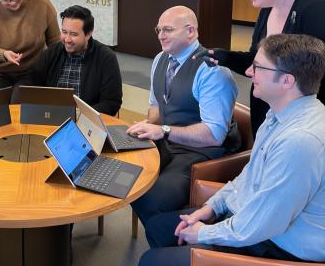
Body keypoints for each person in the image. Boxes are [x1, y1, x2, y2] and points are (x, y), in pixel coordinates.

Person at [138, 33, 325, 266]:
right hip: (252, 221)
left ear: (287, 81)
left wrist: (202, 233)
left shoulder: (300, 142)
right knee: (158, 228)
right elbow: (250, 176)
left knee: (152, 261)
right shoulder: (279, 114)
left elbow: (264, 223)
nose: (248, 73)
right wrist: (211, 208)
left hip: (277, 246)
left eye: (257, 67)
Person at [195, 0, 325, 137]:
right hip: (266, 108)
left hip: (300, 122)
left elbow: (315, 76)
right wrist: (225, 57)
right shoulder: (268, 6)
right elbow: (258, 62)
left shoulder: (317, 7)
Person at [127, 6, 240, 225]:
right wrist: (148, 124)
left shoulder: (212, 71)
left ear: (190, 31)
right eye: (158, 29)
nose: (161, 35)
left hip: (199, 154)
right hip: (168, 142)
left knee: (149, 200)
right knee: (123, 174)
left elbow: (214, 135)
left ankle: (178, 240)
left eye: (168, 29)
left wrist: (163, 130)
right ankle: (164, 232)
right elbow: (157, 109)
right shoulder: (160, 59)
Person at [31, 5, 122, 116]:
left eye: (74, 34)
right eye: (64, 32)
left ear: (88, 34)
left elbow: (111, 102)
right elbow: (31, 84)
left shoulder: (106, 57)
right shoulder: (53, 52)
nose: (67, 40)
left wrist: (79, 114)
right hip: (52, 116)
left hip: (87, 121)